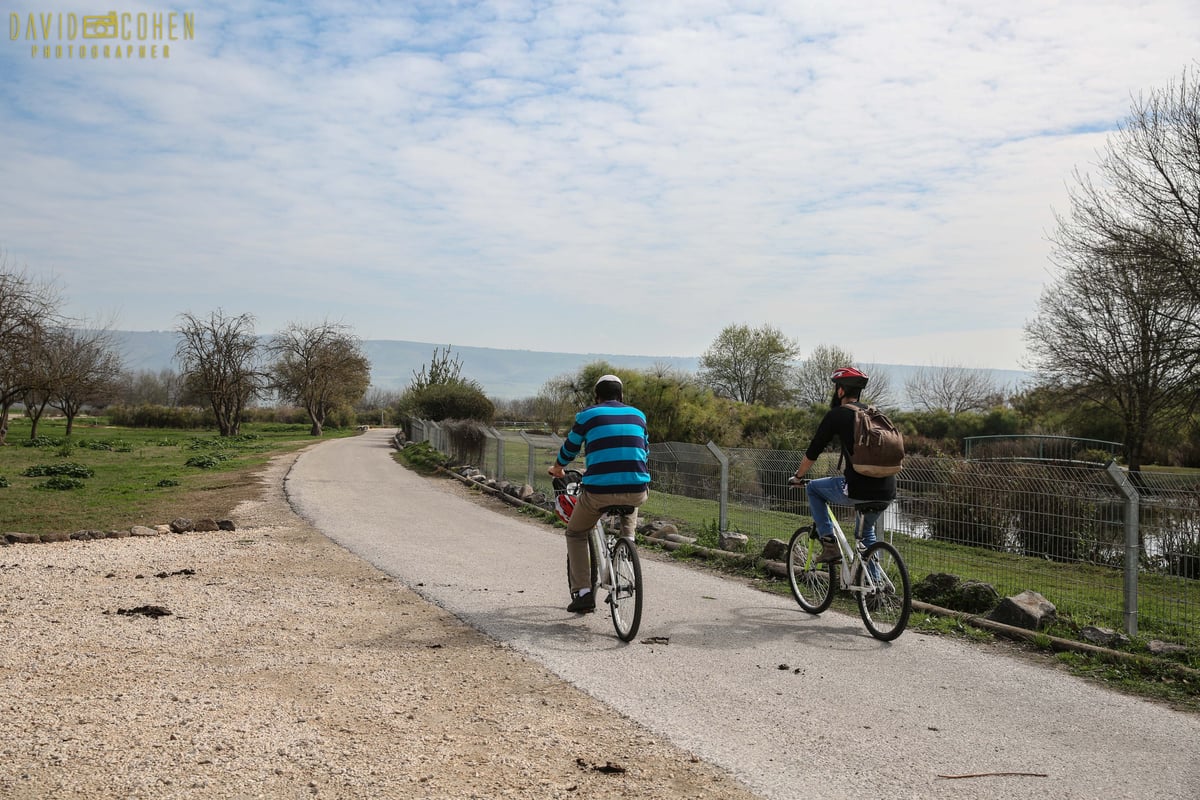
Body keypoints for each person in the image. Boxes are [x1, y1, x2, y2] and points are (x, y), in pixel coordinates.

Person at [547, 374, 650, 613]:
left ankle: (583, 593)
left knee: (575, 533)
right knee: (632, 500)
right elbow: (645, 450)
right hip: (636, 489)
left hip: (599, 492)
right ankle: (629, 541)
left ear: (597, 396)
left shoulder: (587, 415)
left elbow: (570, 448)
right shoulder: (639, 416)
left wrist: (557, 468)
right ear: (621, 396)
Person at [790, 366, 896, 563]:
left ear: (840, 390)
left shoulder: (838, 414)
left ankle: (829, 544)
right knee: (866, 536)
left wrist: (798, 477)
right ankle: (874, 588)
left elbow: (814, 450)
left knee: (813, 488)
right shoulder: (874, 413)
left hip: (858, 488)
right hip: (887, 490)